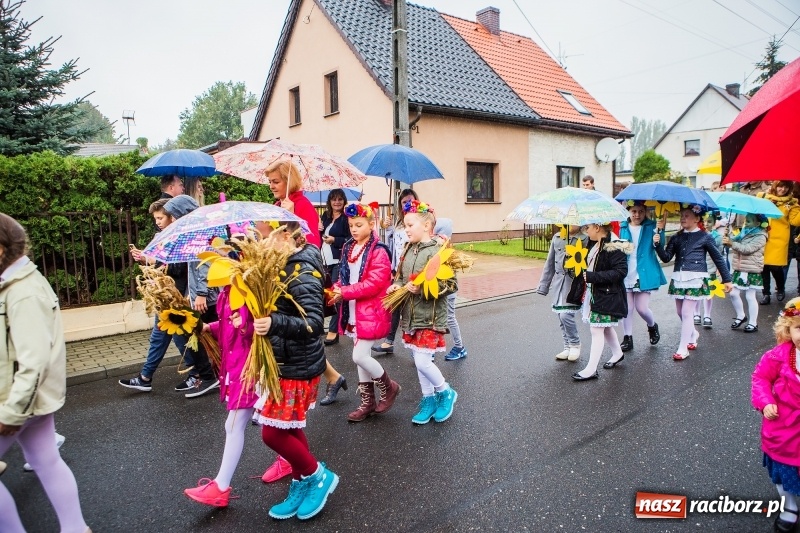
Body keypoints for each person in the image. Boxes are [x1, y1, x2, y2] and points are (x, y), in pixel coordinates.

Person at [0, 213, 92, 533]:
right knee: (47, 462)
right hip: (31, 399)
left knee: (47, 462)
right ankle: (75, 528)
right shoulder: (19, 283)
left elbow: (34, 360)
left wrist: (11, 413)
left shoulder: (22, 291)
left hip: (18, 401)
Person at [252, 222, 339, 521]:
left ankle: (318, 476)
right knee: (289, 428)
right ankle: (302, 481)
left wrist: (274, 323)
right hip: (283, 360)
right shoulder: (281, 265)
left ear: (286, 235)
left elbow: (314, 323)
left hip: (298, 364)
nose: (261, 244)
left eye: (265, 237)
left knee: (272, 434)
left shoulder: (302, 271)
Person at [183, 249, 260, 507]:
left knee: (236, 424)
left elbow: (258, 329)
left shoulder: (247, 293)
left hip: (247, 367)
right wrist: (209, 327)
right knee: (269, 424)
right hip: (235, 365)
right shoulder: (227, 292)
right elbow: (227, 324)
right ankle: (291, 460)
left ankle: (221, 486)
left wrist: (245, 325)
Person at [388, 200, 458, 424]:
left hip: (430, 317)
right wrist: (397, 286)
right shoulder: (408, 249)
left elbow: (451, 285)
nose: (406, 230)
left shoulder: (439, 251)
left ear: (427, 226)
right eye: (405, 226)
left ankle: (445, 391)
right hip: (411, 316)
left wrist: (423, 290)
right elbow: (401, 277)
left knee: (422, 362)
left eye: (410, 225)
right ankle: (429, 399)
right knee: (420, 361)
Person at [330, 202, 399, 422]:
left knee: (359, 356)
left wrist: (344, 292)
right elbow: (344, 276)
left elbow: (374, 284)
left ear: (371, 224)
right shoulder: (349, 247)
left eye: (359, 225)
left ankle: (389, 387)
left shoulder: (379, 251)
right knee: (362, 358)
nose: (354, 229)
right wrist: (337, 289)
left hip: (370, 311)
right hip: (352, 309)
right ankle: (367, 403)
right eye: (351, 225)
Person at [119, 198, 194, 393]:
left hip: (176, 295)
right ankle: (145, 377)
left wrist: (153, 261)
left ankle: (199, 373)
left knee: (177, 337)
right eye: (156, 219)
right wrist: (146, 259)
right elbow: (163, 264)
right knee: (160, 337)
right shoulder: (163, 236)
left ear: (171, 217)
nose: (158, 222)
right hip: (166, 295)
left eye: (161, 218)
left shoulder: (180, 237)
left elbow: (178, 267)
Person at [654, 206, 733, 360]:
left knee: (686, 312)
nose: (682, 218)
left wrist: (727, 279)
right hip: (679, 277)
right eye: (682, 216)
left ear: (697, 219)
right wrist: (657, 245)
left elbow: (718, 258)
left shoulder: (705, 237)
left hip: (696, 278)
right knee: (680, 312)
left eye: (687, 216)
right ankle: (693, 334)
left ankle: (683, 348)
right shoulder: (676, 237)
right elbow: (666, 258)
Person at [751, 297, 800, 532]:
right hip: (783, 428)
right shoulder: (778, 356)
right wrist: (766, 402)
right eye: (799, 328)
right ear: (788, 330)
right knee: (784, 473)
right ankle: (790, 506)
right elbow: (761, 378)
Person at [165, 195, 220, 397]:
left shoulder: (199, 232)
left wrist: (201, 294)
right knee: (204, 334)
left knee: (189, 331)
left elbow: (205, 263)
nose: (172, 220)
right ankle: (218, 374)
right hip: (200, 295)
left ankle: (209, 377)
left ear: (183, 214)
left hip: (206, 296)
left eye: (174, 215)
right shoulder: (191, 232)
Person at [572, 223, 631, 380]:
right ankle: (617, 353)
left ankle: (591, 369)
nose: (586, 231)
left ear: (597, 227)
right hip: (597, 294)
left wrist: (593, 277)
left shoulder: (615, 245)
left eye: (588, 227)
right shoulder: (595, 244)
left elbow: (621, 272)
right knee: (604, 327)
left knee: (596, 329)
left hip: (608, 295)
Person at [373, 188, 419, 355]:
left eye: (410, 201)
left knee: (412, 308)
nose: (407, 204)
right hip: (398, 270)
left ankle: (420, 346)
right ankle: (389, 341)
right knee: (395, 305)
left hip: (413, 270)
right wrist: (386, 227)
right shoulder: (399, 223)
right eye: (404, 202)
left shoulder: (419, 220)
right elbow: (389, 243)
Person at [618, 202, 665, 352]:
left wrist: (659, 235)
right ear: (629, 212)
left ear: (645, 212)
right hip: (626, 271)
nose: (637, 215)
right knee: (627, 308)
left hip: (644, 271)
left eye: (641, 211)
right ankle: (627, 337)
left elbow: (660, 246)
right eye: (634, 211)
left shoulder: (652, 226)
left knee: (642, 308)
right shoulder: (622, 227)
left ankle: (652, 326)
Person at [536, 225, 586, 362]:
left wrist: (574, 257)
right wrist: (544, 285)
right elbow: (549, 263)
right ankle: (567, 346)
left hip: (573, 283)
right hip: (558, 284)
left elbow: (588, 263)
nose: (571, 223)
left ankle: (575, 344)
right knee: (560, 316)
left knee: (565, 315)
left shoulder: (585, 239)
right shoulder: (557, 238)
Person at [756, 181, 800, 305]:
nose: (783, 189)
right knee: (763, 267)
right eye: (780, 186)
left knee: (776, 267)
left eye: (786, 187)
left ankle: (780, 288)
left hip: (779, 239)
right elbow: (754, 212)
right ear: (775, 186)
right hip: (763, 236)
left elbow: (795, 221)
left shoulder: (792, 203)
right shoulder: (762, 197)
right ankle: (766, 294)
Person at [724, 213, 768, 333]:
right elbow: (734, 240)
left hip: (751, 269)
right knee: (733, 293)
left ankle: (753, 323)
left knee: (750, 296)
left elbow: (747, 249)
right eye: (745, 220)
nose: (745, 223)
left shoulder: (761, 236)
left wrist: (732, 243)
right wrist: (727, 236)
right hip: (739, 268)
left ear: (758, 223)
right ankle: (741, 316)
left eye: (749, 221)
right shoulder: (744, 231)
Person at [433, 217, 468, 361]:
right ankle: (430, 348)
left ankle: (460, 347)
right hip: (439, 290)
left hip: (448, 291)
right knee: (435, 318)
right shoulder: (437, 247)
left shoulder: (446, 250)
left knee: (449, 317)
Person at [266, 159, 322, 248]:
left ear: (289, 182)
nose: (271, 186)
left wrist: (293, 218)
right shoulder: (276, 206)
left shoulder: (303, 205)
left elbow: (314, 244)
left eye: (276, 182)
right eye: (270, 182)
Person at [320, 189, 350, 348]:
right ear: (329, 201)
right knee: (325, 293)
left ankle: (333, 330)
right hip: (324, 260)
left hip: (338, 260)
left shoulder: (346, 218)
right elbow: (319, 237)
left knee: (334, 293)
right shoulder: (325, 217)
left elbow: (350, 239)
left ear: (344, 201)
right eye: (334, 199)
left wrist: (334, 240)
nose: (337, 202)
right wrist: (319, 229)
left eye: (340, 199)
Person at [696, 217, 726, 327]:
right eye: (704, 221)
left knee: (709, 293)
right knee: (697, 292)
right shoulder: (696, 234)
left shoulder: (717, 237)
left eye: (709, 221)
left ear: (714, 223)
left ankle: (707, 315)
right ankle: (696, 313)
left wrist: (720, 269)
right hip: (698, 268)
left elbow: (720, 255)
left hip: (711, 268)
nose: (706, 223)